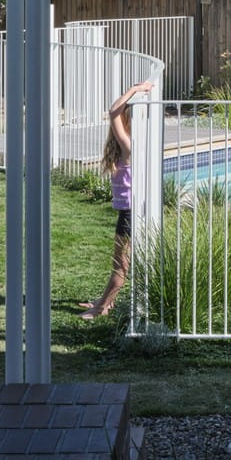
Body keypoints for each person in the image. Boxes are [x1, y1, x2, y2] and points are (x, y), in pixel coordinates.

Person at [79, 80, 153, 320]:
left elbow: (113, 111)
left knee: (120, 264)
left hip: (131, 213)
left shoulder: (129, 146)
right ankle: (103, 301)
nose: (116, 123)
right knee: (119, 261)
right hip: (127, 212)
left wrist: (134, 91)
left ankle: (102, 309)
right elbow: (115, 112)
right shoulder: (127, 146)